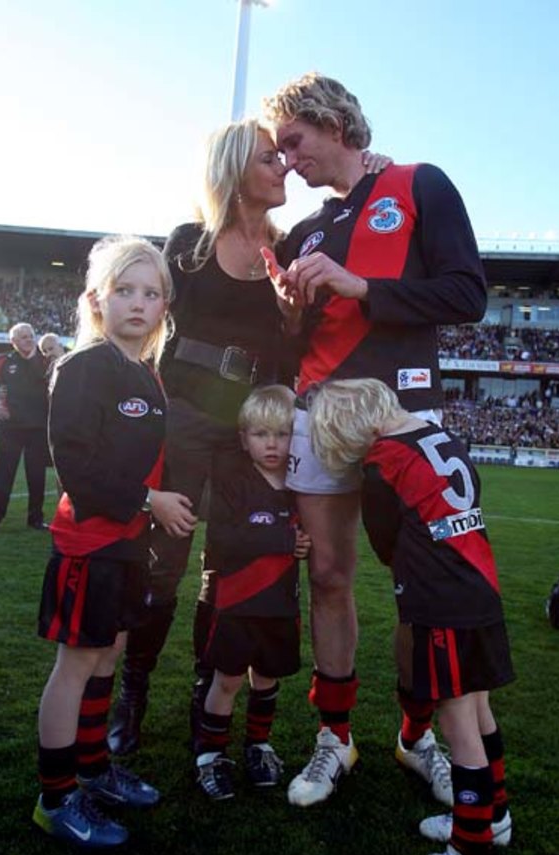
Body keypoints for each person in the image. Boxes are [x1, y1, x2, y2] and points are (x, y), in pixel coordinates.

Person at [108, 118, 387, 756]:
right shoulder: (188, 245)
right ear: (235, 171)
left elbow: (297, 349)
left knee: (230, 563)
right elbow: (142, 313)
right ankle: (133, 690)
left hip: (251, 429)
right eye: (270, 158)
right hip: (181, 420)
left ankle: (207, 697)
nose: (284, 166)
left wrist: (292, 316)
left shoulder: (290, 251)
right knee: (164, 564)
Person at [261, 72, 488, 808]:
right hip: (317, 415)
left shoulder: (421, 184)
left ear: (330, 121)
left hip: (401, 420)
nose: (289, 162)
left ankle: (418, 735)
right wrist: (293, 313)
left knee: (418, 591)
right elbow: (293, 339)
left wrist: (363, 287)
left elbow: (467, 294)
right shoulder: (304, 231)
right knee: (327, 575)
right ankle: (335, 735)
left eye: (294, 143)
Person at [309, 378, 513, 855]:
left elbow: (385, 545)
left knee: (458, 726)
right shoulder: (440, 435)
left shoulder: (382, 464)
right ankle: (493, 816)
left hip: (441, 603)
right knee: (480, 709)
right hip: (481, 588)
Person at [32, 235, 197, 848]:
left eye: (150, 293)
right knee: (75, 666)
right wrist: (148, 502)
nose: (137, 303)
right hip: (87, 546)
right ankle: (56, 796)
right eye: (123, 290)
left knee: (107, 656)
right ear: (96, 301)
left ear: (164, 308)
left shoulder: (148, 374)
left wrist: (160, 507)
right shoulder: (82, 367)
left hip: (128, 546)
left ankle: (94, 770)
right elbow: (77, 467)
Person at [195, 384, 311, 800]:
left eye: (281, 434)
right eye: (262, 435)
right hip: (236, 603)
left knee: (266, 679)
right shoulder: (233, 481)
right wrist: (282, 540)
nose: (272, 444)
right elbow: (223, 539)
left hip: (280, 605)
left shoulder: (301, 485)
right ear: (244, 439)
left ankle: (258, 746)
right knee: (227, 681)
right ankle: (210, 757)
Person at [0, 322, 49, 530]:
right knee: (2, 475)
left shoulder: (47, 363)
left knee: (37, 476)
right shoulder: (2, 362)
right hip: (11, 429)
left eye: (31, 335)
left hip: (38, 429)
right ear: (13, 341)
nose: (29, 339)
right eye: (23, 336)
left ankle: (35, 519)